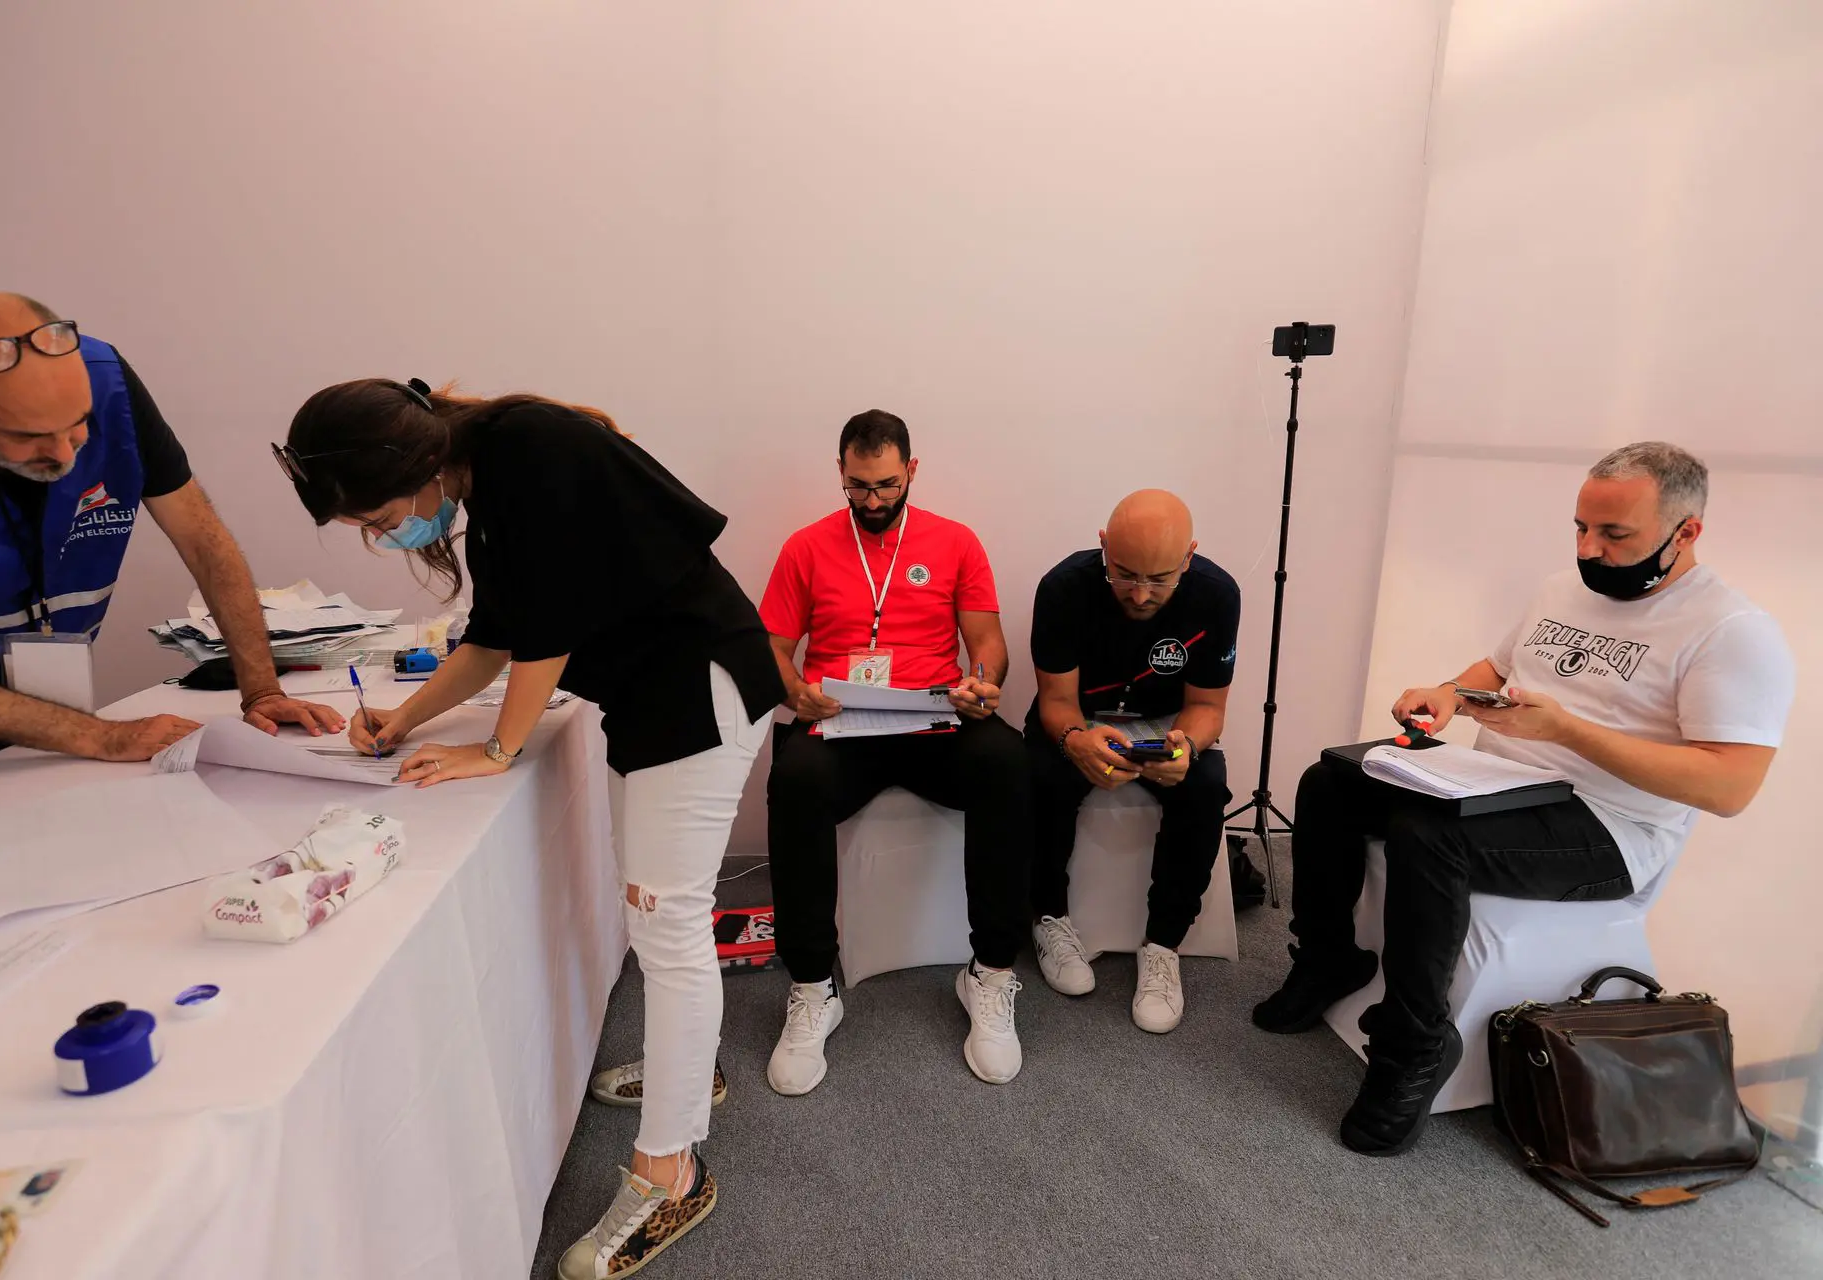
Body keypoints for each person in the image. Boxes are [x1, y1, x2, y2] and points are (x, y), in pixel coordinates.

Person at [277, 377, 782, 1280]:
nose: (380, 535)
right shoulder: (487, 479)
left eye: (376, 517)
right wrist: (407, 721)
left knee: (667, 926)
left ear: (414, 464)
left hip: (698, 693)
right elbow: (495, 638)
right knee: (653, 919)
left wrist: (499, 750)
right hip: (651, 701)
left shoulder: (530, 449)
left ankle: (672, 1173)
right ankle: (685, 1070)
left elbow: (543, 632)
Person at [1252, 442, 1795, 1155]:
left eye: (1614, 535)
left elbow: (1730, 787)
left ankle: (1412, 1050)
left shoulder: (1733, 633)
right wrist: (1447, 694)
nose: (1589, 549)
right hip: (1498, 789)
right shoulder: (1562, 590)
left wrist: (1568, 731)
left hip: (1610, 827)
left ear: (1686, 532)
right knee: (1331, 781)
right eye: (1580, 528)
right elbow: (1500, 667)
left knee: (1427, 835)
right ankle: (1328, 960)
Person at [0, 293, 341, 789]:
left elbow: (203, 540)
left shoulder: (109, 383)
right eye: (29, 435)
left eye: (78, 424)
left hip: (44, 679)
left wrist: (261, 689)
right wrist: (101, 737)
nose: (64, 452)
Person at [759, 409, 1029, 1093]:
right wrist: (796, 696)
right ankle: (815, 986)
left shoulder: (955, 542)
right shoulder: (805, 547)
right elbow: (772, 651)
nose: (873, 502)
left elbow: (988, 641)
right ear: (841, 474)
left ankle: (991, 974)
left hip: (932, 718)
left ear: (911, 471)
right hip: (840, 721)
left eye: (885, 486)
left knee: (1007, 761)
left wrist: (983, 683)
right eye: (858, 487)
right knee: (793, 779)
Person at [1026, 490, 1239, 1033]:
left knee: (1207, 783)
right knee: (1038, 771)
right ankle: (1049, 917)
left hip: (1166, 725)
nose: (1142, 594)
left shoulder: (1217, 595)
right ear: (1103, 546)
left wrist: (1186, 748)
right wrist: (1075, 739)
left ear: (1189, 557)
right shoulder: (1062, 588)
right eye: (1124, 574)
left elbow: (1208, 708)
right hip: (1083, 717)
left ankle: (1164, 945)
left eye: (1161, 578)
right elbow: (1055, 702)